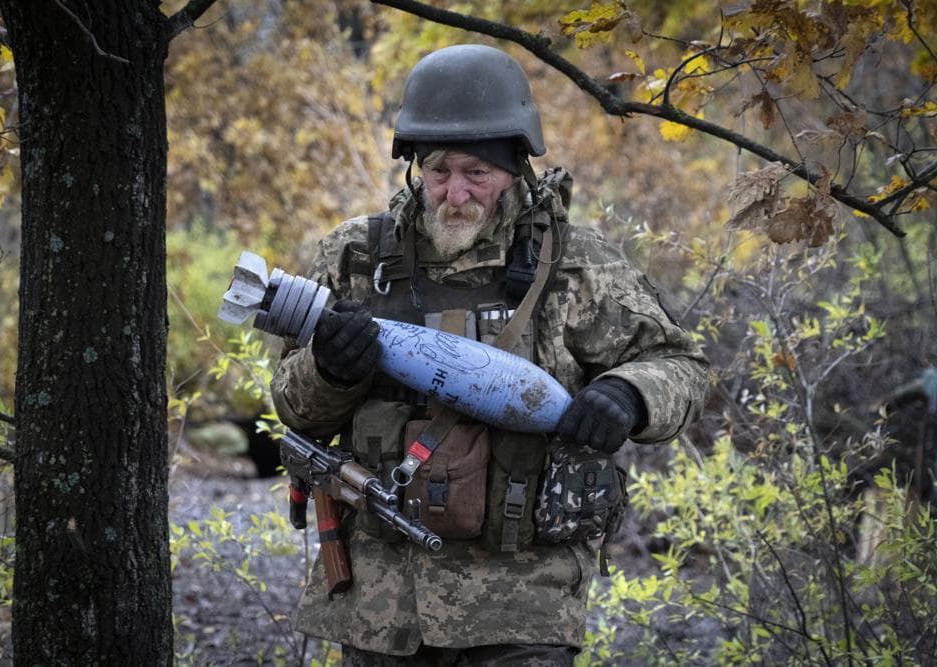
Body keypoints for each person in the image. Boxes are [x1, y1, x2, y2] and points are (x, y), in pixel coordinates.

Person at [270, 43, 709, 666]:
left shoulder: (573, 265)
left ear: (516, 167)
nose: (454, 193)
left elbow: (681, 368)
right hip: (380, 601)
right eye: (440, 170)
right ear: (415, 164)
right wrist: (328, 372)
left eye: (477, 172)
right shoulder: (354, 258)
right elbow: (291, 405)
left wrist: (629, 395)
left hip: (522, 598)